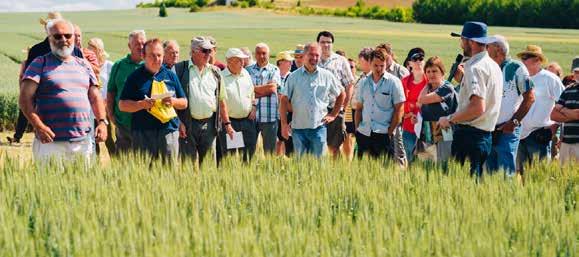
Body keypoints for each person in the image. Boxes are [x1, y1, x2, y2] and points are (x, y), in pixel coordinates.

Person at [19, 19, 107, 164]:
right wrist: (38, 126)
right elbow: (24, 98)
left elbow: (95, 97)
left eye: (67, 36)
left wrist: (102, 122)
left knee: (83, 185)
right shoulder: (39, 63)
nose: (63, 40)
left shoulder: (84, 65)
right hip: (50, 142)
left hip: (83, 142)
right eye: (57, 36)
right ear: (49, 39)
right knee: (51, 186)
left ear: (74, 37)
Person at [7, 12, 83, 145]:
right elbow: (28, 79)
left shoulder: (74, 50)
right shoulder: (36, 50)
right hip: (42, 100)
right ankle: (19, 135)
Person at [439, 21, 502, 178]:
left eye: (462, 39)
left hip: (469, 137)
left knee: (462, 189)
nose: (461, 44)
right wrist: (464, 81)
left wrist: (450, 119)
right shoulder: (493, 66)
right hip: (485, 136)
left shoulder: (475, 68)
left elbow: (477, 107)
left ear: (471, 42)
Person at [119, 38, 188, 162]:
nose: (156, 59)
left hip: (168, 132)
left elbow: (184, 102)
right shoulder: (134, 77)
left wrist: (173, 101)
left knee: (169, 174)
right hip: (143, 134)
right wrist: (141, 104)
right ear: (143, 56)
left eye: (159, 55)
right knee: (145, 175)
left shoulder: (170, 75)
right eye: (152, 56)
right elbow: (122, 105)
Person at [280, 42, 345, 158]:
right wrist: (284, 125)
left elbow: (341, 94)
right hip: (298, 130)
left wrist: (333, 114)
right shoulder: (293, 77)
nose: (314, 58)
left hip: (318, 128)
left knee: (319, 165)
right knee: (301, 165)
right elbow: (284, 100)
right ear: (304, 55)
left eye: (317, 55)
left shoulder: (327, 76)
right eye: (311, 55)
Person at [484, 35, 535, 176]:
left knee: (506, 173)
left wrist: (514, 122)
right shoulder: (489, 68)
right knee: (490, 173)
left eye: (488, 47)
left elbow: (530, 97)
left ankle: (508, 197)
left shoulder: (517, 67)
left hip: (508, 129)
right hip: (488, 128)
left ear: (499, 50)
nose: (485, 50)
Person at [174, 36, 225, 166]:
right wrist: (178, 122)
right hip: (187, 124)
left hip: (209, 125)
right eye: (204, 51)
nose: (208, 54)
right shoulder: (179, 69)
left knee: (208, 167)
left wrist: (226, 123)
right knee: (187, 166)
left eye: (210, 51)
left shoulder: (215, 72)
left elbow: (221, 99)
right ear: (194, 51)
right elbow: (171, 101)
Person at [516, 45, 565, 174]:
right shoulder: (520, 77)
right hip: (519, 135)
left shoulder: (550, 79)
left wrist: (553, 128)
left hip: (539, 136)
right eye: (522, 57)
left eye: (526, 57)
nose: (522, 60)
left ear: (537, 60)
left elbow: (565, 105)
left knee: (540, 177)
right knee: (521, 176)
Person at [354, 49, 405, 159]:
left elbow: (399, 110)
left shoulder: (394, 82)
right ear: (370, 63)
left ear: (386, 64)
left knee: (384, 170)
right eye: (375, 65)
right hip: (364, 133)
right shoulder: (363, 82)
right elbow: (359, 108)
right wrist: (358, 129)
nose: (379, 69)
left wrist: (390, 132)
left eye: (382, 66)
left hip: (383, 134)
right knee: (362, 171)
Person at [107, 29, 146, 155]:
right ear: (129, 46)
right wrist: (111, 115)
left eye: (143, 43)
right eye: (136, 44)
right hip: (123, 124)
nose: (140, 47)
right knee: (123, 162)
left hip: (146, 126)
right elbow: (111, 92)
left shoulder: (151, 65)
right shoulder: (119, 65)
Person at [317, 31, 355, 158]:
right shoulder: (313, 60)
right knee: (317, 143)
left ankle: (336, 171)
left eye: (329, 42)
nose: (326, 45)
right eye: (323, 42)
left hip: (335, 108)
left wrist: (343, 107)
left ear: (332, 44)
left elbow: (349, 85)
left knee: (334, 146)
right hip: (316, 109)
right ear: (318, 43)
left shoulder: (341, 61)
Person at [218, 48, 258, 163]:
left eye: (243, 61)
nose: (243, 63)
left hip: (247, 122)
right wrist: (227, 124)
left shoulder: (245, 73)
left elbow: (252, 93)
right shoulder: (221, 77)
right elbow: (221, 103)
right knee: (231, 157)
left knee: (249, 154)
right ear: (230, 62)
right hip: (231, 124)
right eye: (239, 61)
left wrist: (254, 107)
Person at [417, 57, 458, 162]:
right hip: (426, 132)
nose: (431, 74)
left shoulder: (447, 88)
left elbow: (421, 99)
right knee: (425, 166)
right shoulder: (429, 89)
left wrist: (426, 84)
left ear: (442, 72)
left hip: (444, 132)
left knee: (442, 165)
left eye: (435, 71)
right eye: (428, 71)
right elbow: (420, 106)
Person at [375, 43, 409, 167]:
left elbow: (407, 95)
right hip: (380, 118)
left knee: (398, 147)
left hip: (397, 117)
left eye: (384, 55)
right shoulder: (376, 70)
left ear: (390, 54)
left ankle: (400, 171)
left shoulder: (401, 71)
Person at [246, 43, 281, 155]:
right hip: (250, 117)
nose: (261, 56)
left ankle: (269, 172)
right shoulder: (247, 70)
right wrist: (263, 90)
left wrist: (252, 90)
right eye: (258, 53)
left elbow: (272, 88)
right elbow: (245, 92)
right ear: (254, 55)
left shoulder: (274, 69)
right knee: (248, 151)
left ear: (269, 55)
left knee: (270, 153)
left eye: (264, 53)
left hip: (269, 117)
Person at [87, 37, 115, 156]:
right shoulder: (87, 66)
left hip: (107, 110)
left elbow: (114, 87)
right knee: (93, 142)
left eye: (92, 50)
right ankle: (95, 168)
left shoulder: (110, 66)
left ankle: (117, 165)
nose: (89, 53)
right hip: (92, 109)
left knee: (110, 141)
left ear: (99, 51)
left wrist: (108, 103)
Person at [401, 48, 427, 163]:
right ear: (409, 63)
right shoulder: (404, 82)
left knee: (424, 162)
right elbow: (399, 103)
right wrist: (408, 112)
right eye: (414, 59)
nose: (418, 62)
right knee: (410, 162)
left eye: (421, 58)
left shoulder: (429, 81)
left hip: (425, 130)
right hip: (408, 129)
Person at [551, 57, 579, 164]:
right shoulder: (568, 89)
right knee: (564, 176)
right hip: (566, 142)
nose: (578, 74)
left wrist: (562, 109)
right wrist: (572, 113)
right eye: (576, 72)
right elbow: (553, 115)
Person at [275, 51, 294, 156]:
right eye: (288, 61)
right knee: (277, 141)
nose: (291, 64)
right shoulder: (273, 75)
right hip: (274, 115)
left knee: (287, 141)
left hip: (288, 115)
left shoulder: (293, 77)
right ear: (280, 62)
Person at [343, 57, 358, 160]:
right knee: (346, 137)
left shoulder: (359, 81)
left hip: (356, 112)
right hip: (345, 113)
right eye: (347, 67)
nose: (350, 69)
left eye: (352, 67)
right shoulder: (342, 81)